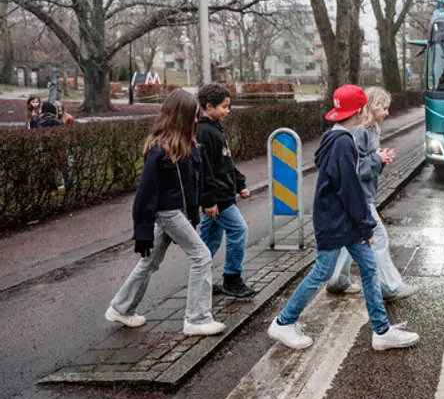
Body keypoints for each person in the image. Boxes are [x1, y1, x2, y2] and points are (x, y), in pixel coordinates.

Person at [268, 84, 420, 351]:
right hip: (337, 223)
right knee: (321, 272)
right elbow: (349, 190)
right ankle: (283, 322)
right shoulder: (342, 143)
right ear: (360, 110)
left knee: (370, 268)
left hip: (342, 222)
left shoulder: (335, 138)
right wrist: (366, 225)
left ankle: (381, 331)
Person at [105, 89, 225, 337]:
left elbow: (193, 186)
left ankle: (121, 308)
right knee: (201, 256)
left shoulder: (187, 146)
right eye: (193, 115)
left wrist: (194, 214)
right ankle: (197, 318)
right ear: (181, 116)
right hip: (168, 213)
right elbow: (145, 194)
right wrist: (143, 231)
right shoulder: (159, 151)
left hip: (178, 213)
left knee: (150, 262)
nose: (196, 120)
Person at [326, 87, 418, 301]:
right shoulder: (360, 131)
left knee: (350, 239)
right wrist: (378, 159)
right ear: (372, 106)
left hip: (356, 196)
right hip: (358, 197)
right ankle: (389, 287)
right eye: (383, 107)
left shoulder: (369, 129)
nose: (387, 112)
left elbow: (365, 165)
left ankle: (337, 280)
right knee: (379, 238)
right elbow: (354, 168)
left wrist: (380, 159)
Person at [196, 84, 256, 299]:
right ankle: (232, 279)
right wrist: (210, 200)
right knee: (239, 231)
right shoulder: (203, 132)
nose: (227, 111)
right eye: (224, 106)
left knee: (208, 242)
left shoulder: (216, 127)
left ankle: (200, 282)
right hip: (218, 198)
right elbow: (205, 170)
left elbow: (226, 161)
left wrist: (239, 184)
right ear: (208, 106)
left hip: (222, 194)